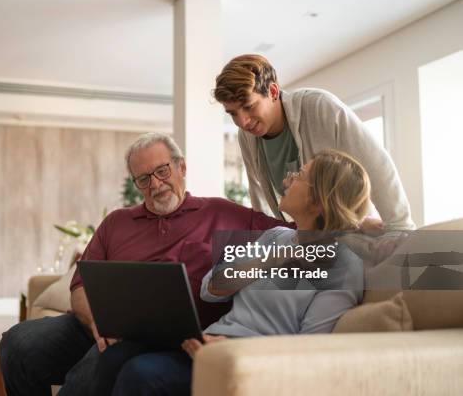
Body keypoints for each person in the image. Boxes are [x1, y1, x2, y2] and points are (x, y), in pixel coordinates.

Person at [0, 133, 289, 396]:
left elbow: (300, 239)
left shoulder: (224, 213)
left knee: (109, 358)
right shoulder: (116, 222)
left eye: (162, 171)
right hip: (102, 327)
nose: (156, 185)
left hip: (172, 339)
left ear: (181, 168)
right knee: (18, 343)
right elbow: (80, 286)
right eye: (144, 179)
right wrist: (96, 322)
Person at [97, 149, 370, 396]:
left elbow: (309, 350)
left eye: (299, 176)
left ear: (318, 200)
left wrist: (232, 352)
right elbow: (211, 289)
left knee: (141, 374)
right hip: (212, 343)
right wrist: (271, 259)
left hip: (248, 362)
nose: (287, 180)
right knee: (115, 356)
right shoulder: (276, 237)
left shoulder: (344, 268)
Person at [213, 54, 414, 231]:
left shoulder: (320, 107)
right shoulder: (246, 136)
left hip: (352, 233)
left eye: (248, 106)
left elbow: (377, 165)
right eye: (232, 113)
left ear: (273, 91)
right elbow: (258, 195)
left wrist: (400, 230)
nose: (242, 121)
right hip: (310, 240)